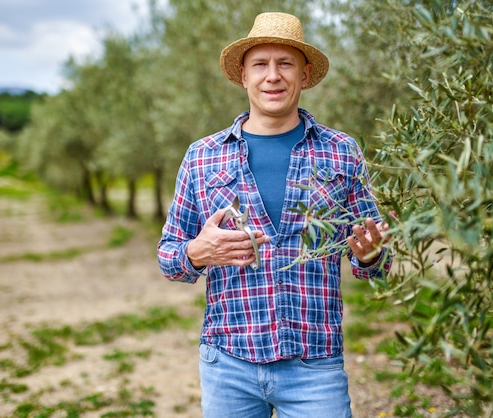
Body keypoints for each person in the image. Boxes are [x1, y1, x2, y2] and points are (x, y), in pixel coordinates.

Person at [157, 12, 392, 418]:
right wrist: (197, 252)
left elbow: (375, 260)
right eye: (260, 65)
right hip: (227, 363)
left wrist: (371, 253)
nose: (273, 76)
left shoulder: (341, 151)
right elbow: (169, 258)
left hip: (314, 364)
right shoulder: (203, 156)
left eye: (285, 64)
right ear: (243, 77)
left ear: (304, 73)